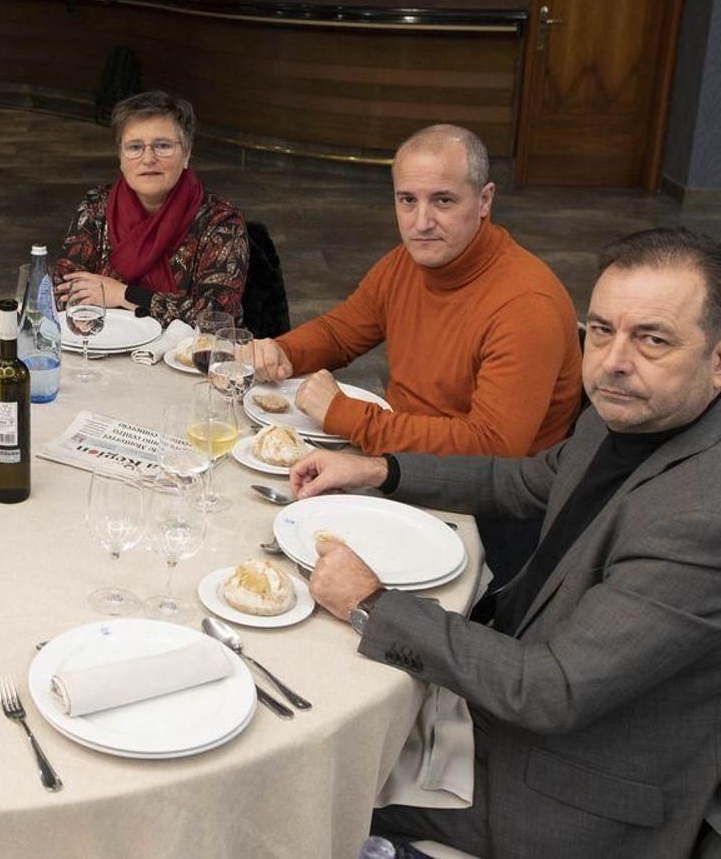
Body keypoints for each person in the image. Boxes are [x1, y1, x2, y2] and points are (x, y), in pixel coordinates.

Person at [293, 227, 721, 859]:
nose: (613, 361)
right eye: (600, 331)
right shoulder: (624, 417)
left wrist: (372, 603)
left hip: (560, 790)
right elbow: (524, 480)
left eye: (652, 339)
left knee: (302, 787)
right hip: (497, 694)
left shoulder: (701, 513)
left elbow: (552, 689)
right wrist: (379, 469)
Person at [245, 124, 580, 584]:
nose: (421, 222)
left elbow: (493, 451)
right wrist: (282, 349)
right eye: (408, 200)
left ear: (484, 201)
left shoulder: (525, 307)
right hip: (400, 463)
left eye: (443, 200)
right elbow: (343, 331)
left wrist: (349, 416)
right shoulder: (412, 259)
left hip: (488, 515)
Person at [55, 90, 248, 326]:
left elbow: (217, 316)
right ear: (120, 158)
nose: (148, 159)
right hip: (106, 346)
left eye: (163, 146)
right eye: (135, 147)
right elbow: (62, 292)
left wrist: (123, 295)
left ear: (186, 153)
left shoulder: (221, 221)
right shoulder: (96, 206)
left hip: (185, 357)